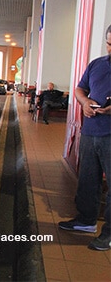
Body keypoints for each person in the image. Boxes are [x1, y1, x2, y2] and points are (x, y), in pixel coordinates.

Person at [58, 24, 111, 251]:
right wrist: (85, 102)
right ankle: (86, 221)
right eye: (110, 43)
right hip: (91, 131)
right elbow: (80, 89)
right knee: (88, 180)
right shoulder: (97, 64)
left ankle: (109, 234)